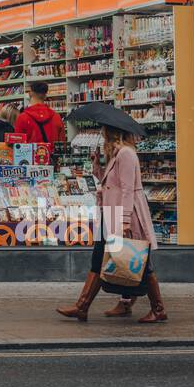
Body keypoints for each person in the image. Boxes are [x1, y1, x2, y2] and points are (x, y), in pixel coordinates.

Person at [56, 123, 167, 323]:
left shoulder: (126, 154)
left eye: (103, 131)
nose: (101, 134)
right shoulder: (117, 154)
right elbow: (111, 185)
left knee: (141, 263)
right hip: (110, 214)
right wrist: (97, 167)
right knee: (99, 259)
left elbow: (127, 190)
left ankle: (158, 309)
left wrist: (124, 222)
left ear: (112, 132)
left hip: (123, 216)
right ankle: (82, 306)